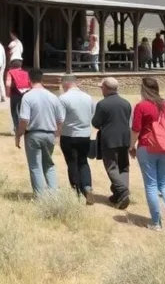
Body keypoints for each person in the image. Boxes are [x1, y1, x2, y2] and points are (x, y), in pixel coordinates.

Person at [131, 77, 165, 234]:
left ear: (143, 89)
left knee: (151, 184)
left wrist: (131, 146)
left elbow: (136, 129)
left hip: (147, 146)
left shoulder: (141, 106)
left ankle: (156, 222)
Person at [15, 69, 64, 196]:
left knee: (35, 166)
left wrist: (19, 134)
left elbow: (24, 119)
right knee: (49, 164)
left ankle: (40, 196)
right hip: (49, 133)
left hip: (33, 134)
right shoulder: (53, 96)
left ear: (29, 80)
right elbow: (60, 119)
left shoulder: (28, 96)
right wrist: (57, 134)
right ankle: (54, 195)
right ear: (42, 80)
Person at [92, 77, 132, 209]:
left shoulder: (102, 104)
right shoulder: (126, 103)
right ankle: (118, 194)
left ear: (106, 88)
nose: (101, 90)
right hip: (124, 138)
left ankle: (123, 191)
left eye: (102, 88)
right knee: (123, 166)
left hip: (109, 139)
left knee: (112, 167)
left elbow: (96, 123)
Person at [58, 74, 96, 204]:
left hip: (69, 135)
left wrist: (57, 134)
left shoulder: (63, 98)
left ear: (66, 83)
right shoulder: (88, 97)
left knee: (72, 162)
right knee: (83, 161)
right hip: (85, 135)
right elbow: (91, 114)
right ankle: (87, 187)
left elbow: (60, 119)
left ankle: (77, 190)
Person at [5, 63, 32, 134]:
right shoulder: (26, 73)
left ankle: (16, 127)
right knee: (23, 111)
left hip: (15, 93)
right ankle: (25, 127)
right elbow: (30, 83)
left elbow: (8, 83)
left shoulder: (10, 72)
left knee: (14, 111)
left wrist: (8, 94)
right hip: (25, 93)